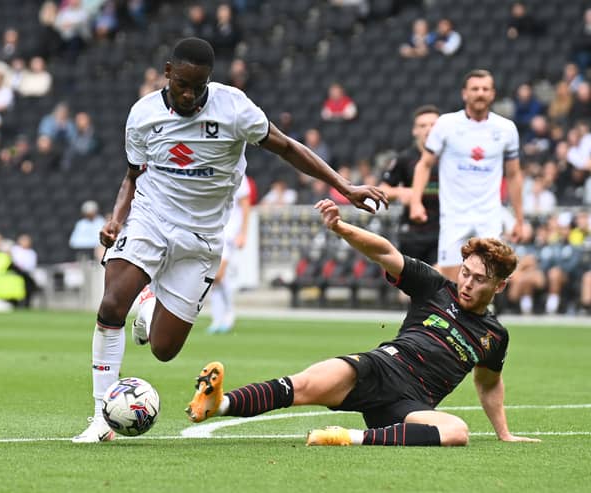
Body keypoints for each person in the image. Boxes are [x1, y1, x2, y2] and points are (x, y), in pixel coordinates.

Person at [72, 37, 387, 443]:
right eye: (182, 83)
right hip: (151, 219)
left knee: (164, 350)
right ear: (167, 72)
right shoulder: (142, 115)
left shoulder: (235, 108)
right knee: (112, 304)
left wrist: (345, 186)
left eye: (198, 86)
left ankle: (149, 308)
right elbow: (133, 176)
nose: (189, 94)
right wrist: (117, 219)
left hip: (202, 236)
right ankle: (101, 417)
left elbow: (288, 148)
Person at [185, 198, 540, 447]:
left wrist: (504, 433)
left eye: (479, 279)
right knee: (304, 383)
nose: (467, 283)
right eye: (465, 272)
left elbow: (489, 383)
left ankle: (349, 437)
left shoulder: (494, 335)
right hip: (379, 368)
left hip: (411, 406)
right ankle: (220, 403)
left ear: (500, 285)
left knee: (456, 432)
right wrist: (341, 228)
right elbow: (386, 252)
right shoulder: (435, 287)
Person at [410, 69, 524, 282]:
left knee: (488, 278)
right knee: (451, 282)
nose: (480, 93)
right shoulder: (446, 124)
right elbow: (424, 164)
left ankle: (484, 315)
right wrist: (416, 202)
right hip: (454, 216)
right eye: (475, 89)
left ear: (493, 94)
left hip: (489, 215)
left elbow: (514, 174)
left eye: (485, 89)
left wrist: (519, 219)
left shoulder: (506, 129)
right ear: (464, 93)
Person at [380, 105, 440, 266]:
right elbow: (382, 190)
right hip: (412, 233)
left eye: (433, 125)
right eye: (423, 125)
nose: (428, 129)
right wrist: (401, 192)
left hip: (442, 231)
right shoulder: (404, 159)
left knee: (440, 281)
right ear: (415, 131)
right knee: (410, 285)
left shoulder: (450, 158)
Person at [206, 175, 251, 334]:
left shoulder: (239, 174)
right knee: (215, 277)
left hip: (230, 231)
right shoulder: (212, 171)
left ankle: (229, 313)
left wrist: (243, 233)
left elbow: (245, 204)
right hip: (213, 229)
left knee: (218, 275)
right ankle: (218, 318)